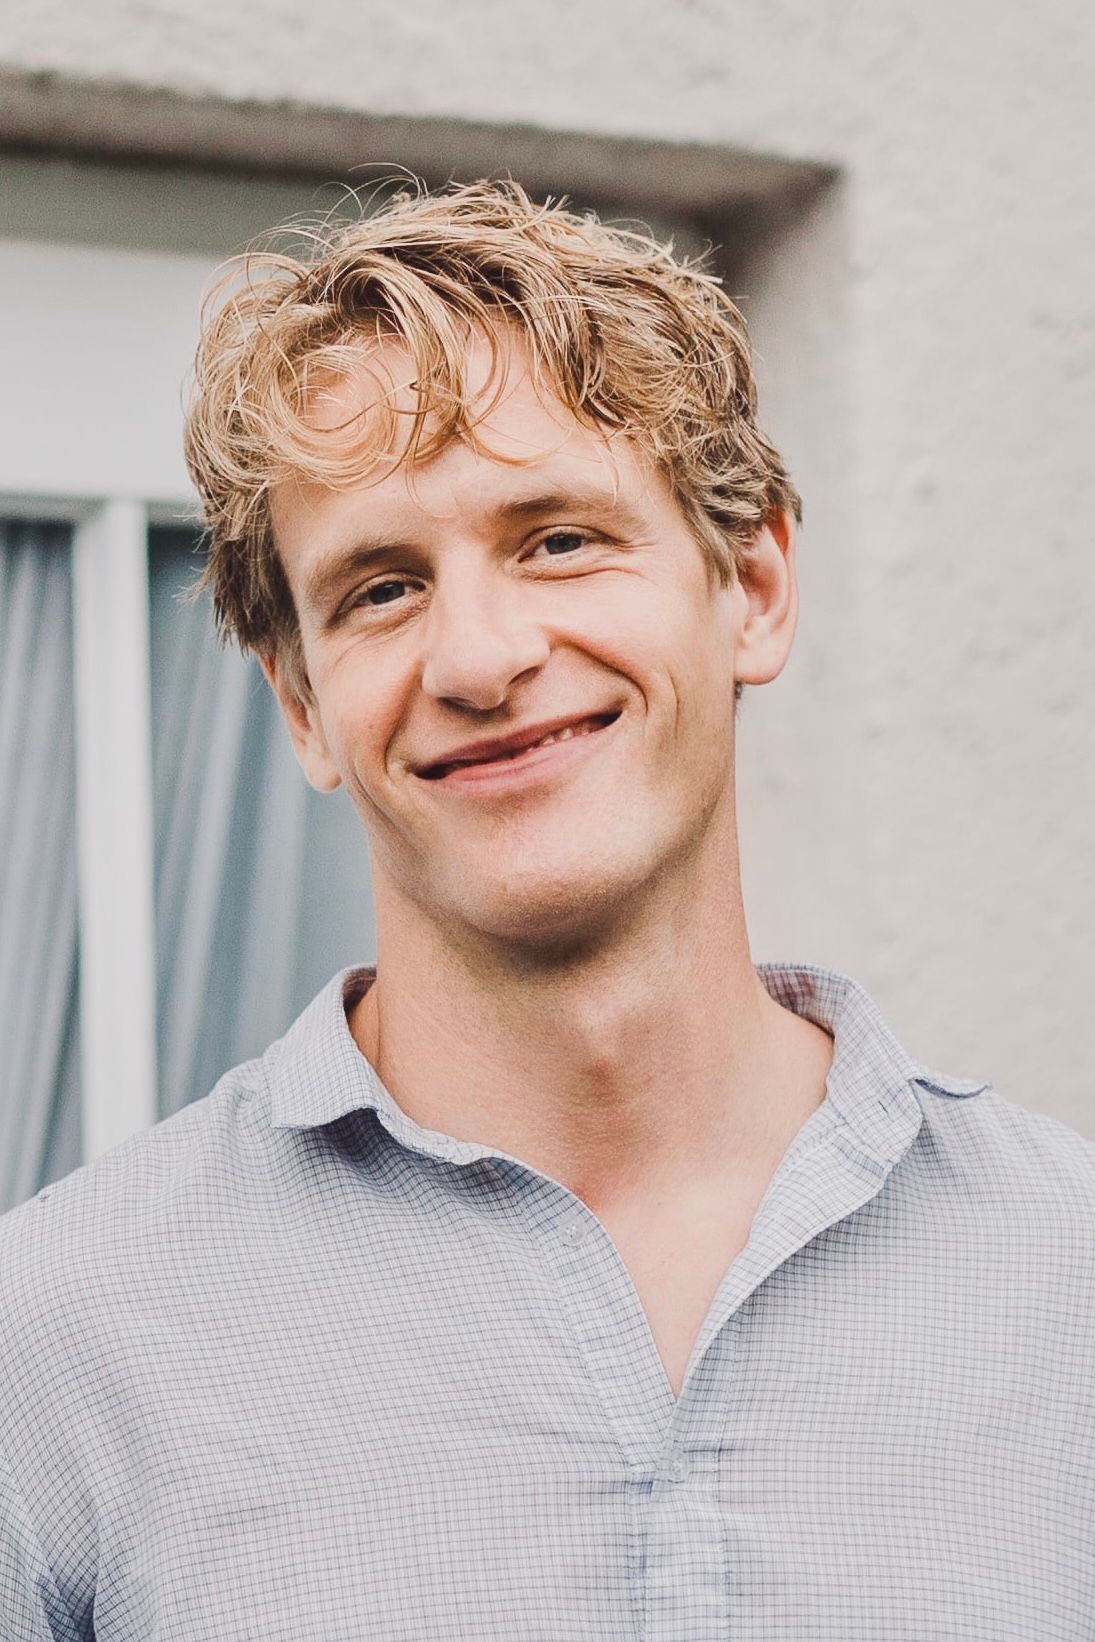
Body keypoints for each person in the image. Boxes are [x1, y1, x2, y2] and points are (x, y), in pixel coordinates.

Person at [1, 179, 1092, 1642]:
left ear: (754, 583)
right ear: (302, 705)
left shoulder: (1067, 1280)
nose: (479, 657)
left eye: (559, 538)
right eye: (381, 588)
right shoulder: (58, 1348)